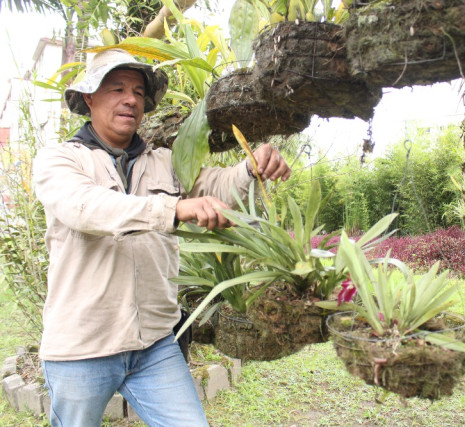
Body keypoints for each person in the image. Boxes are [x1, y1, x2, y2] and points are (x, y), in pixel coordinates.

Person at [32, 48, 291, 427]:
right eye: (117, 88)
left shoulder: (164, 161)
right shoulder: (61, 160)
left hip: (155, 344)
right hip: (82, 346)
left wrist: (252, 166)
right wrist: (173, 209)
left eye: (138, 92)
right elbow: (85, 208)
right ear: (89, 98)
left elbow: (215, 186)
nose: (130, 99)